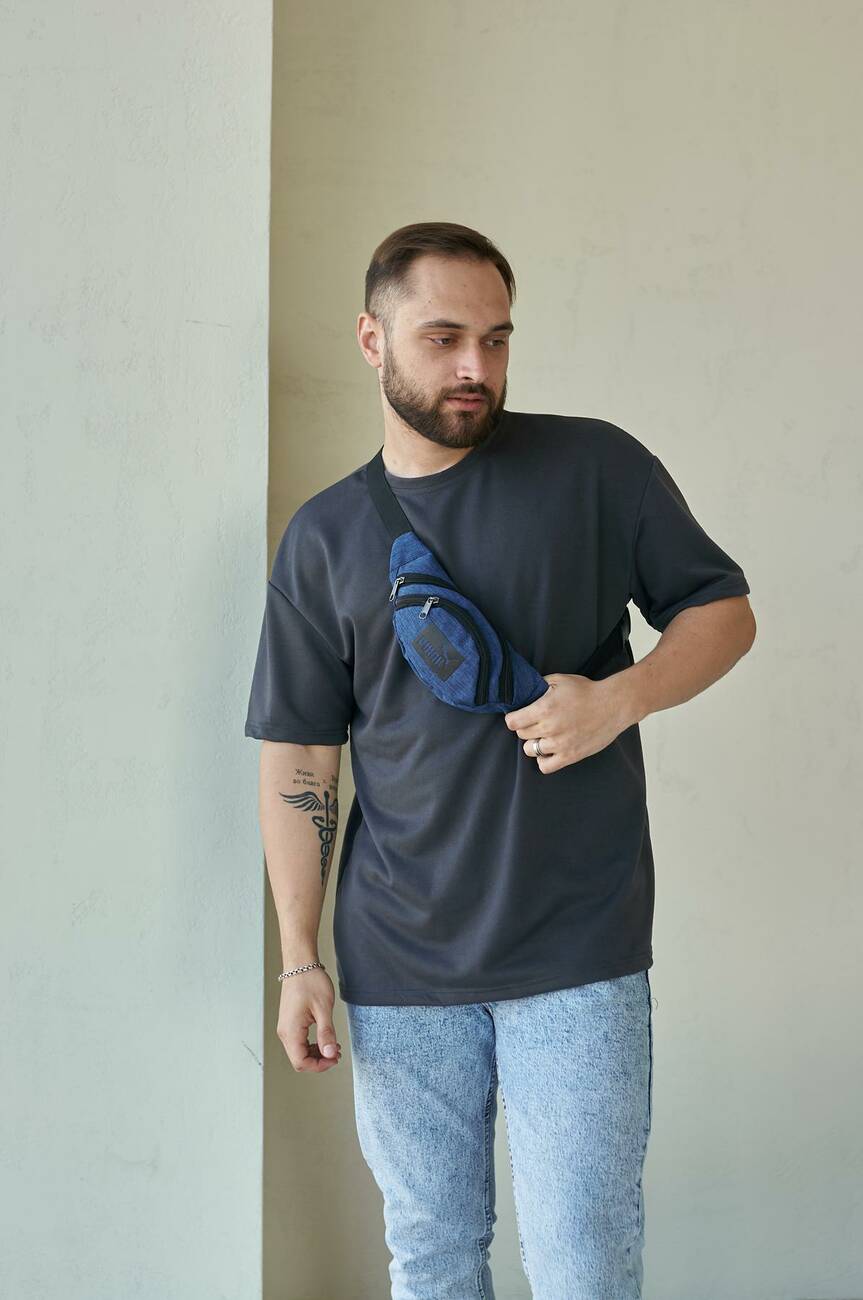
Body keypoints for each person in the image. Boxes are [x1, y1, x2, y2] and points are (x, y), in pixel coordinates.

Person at [244, 221, 756, 1298]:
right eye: (442, 339)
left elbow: (722, 612)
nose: (475, 366)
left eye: (496, 338)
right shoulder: (324, 537)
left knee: (582, 1263)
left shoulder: (595, 467)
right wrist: (299, 959)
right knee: (432, 1258)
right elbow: (301, 756)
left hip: (576, 950)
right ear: (372, 339)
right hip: (397, 961)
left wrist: (618, 699)